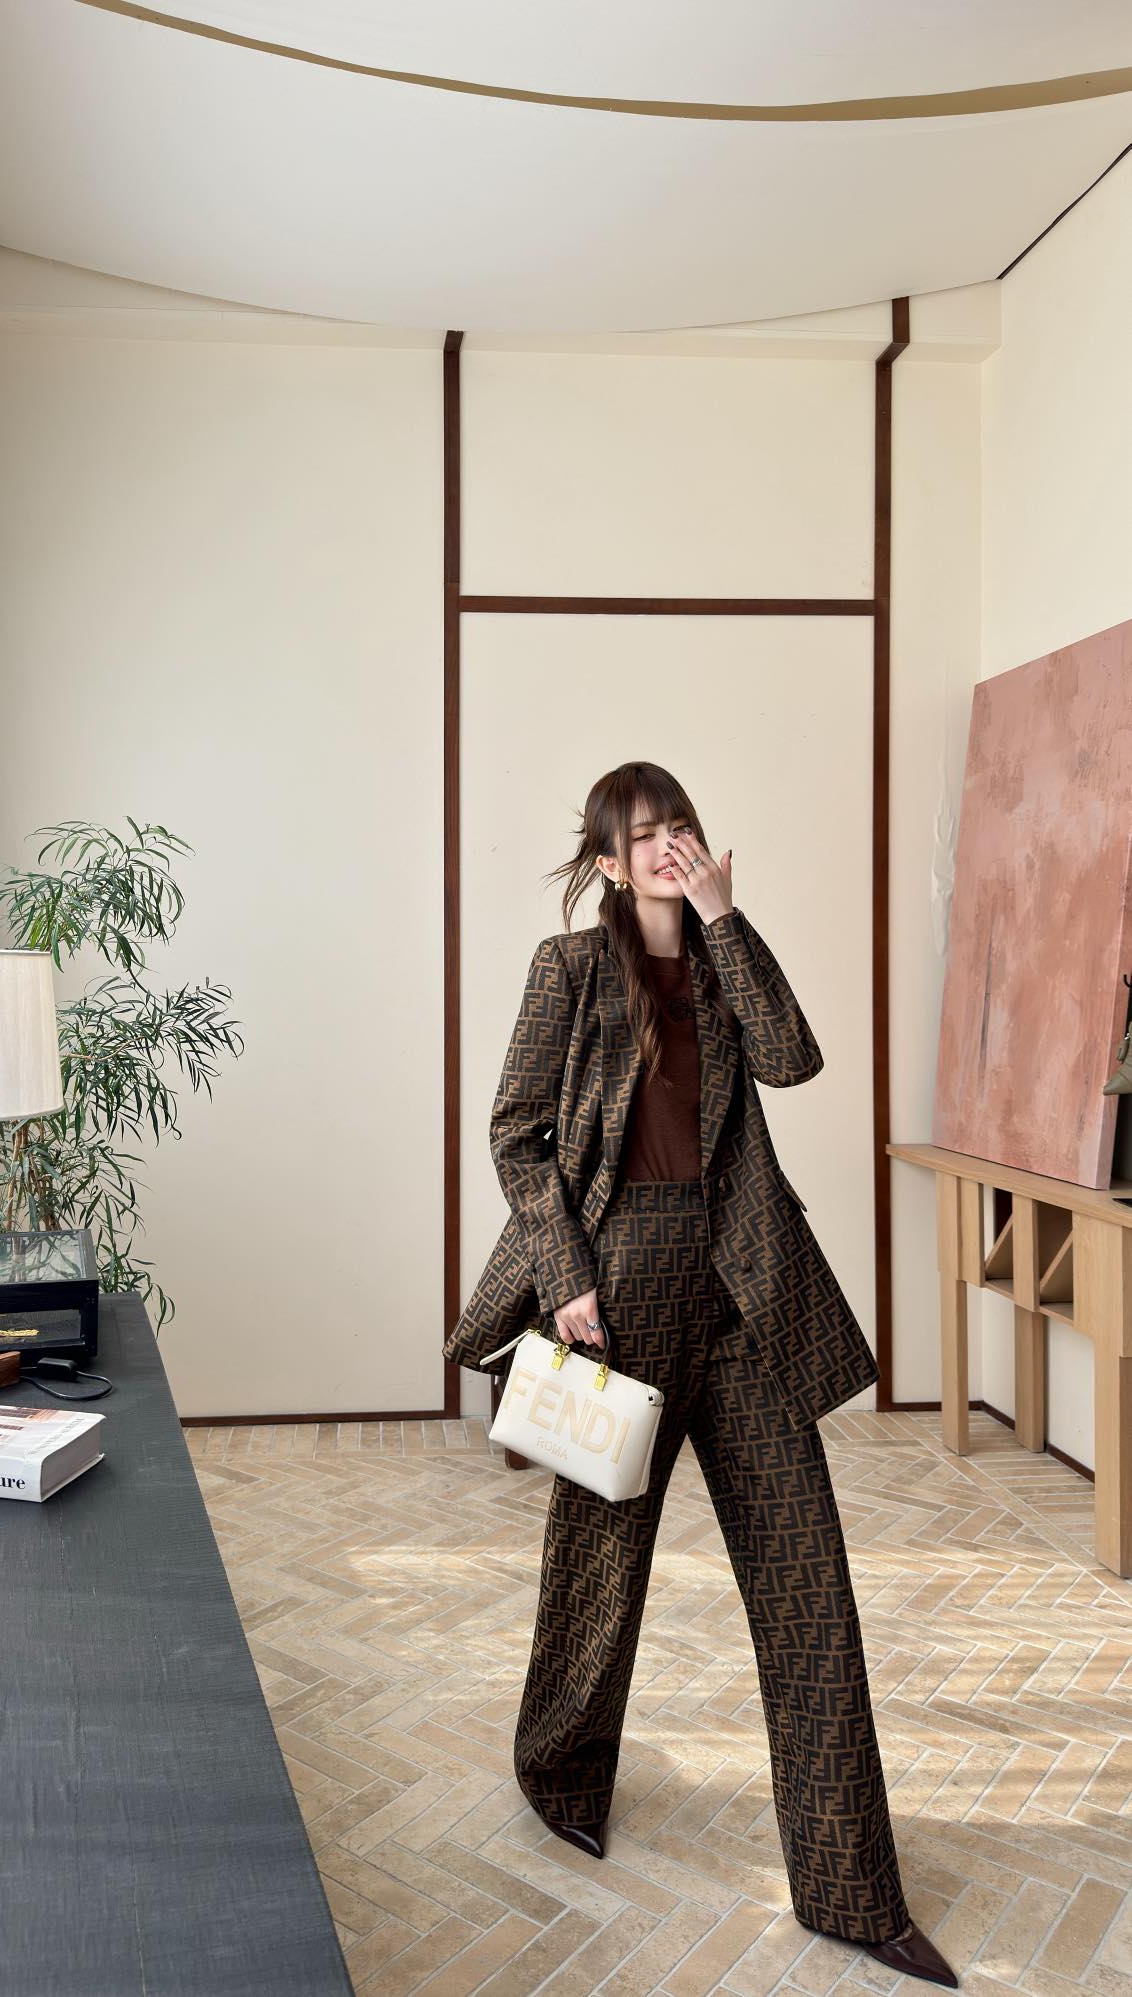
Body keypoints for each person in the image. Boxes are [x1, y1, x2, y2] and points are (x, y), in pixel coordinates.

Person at [484, 761, 957, 1990]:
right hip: (618, 1285)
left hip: (743, 1285)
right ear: (606, 860)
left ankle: (854, 1888)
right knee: (600, 1564)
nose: (665, 846)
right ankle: (560, 1769)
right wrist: (566, 1272)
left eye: (678, 826)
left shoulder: (720, 954)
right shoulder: (567, 967)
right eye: (641, 835)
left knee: (809, 1578)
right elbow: (516, 1132)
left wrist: (726, 917)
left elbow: (794, 1059)